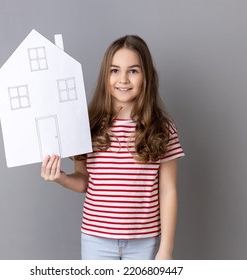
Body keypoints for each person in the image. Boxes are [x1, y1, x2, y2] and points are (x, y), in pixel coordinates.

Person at [41, 35, 184, 260]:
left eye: (133, 71)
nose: (123, 79)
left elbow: (168, 191)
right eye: (115, 70)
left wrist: (166, 249)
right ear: (105, 75)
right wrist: (61, 177)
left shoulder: (162, 129)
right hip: (95, 239)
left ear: (146, 75)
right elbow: (83, 181)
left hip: (145, 242)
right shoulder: (89, 125)